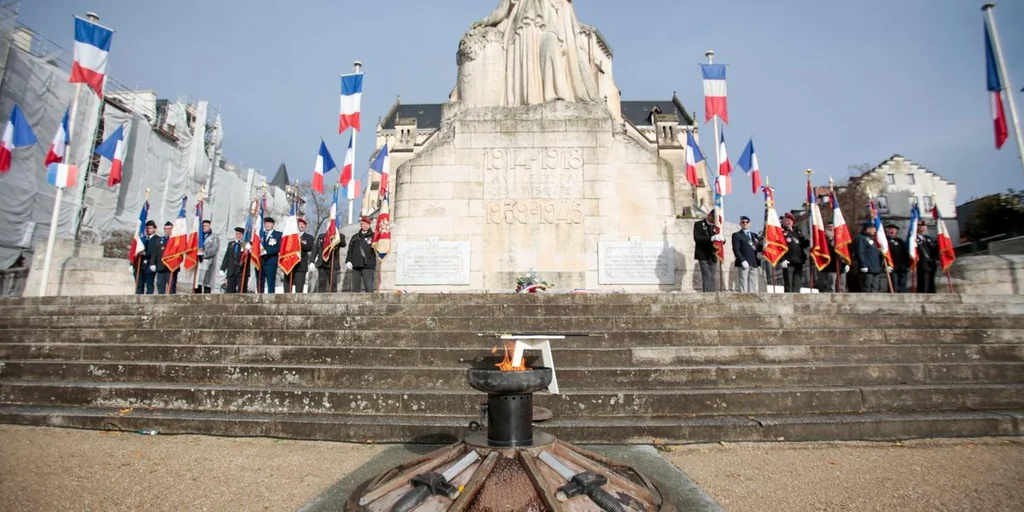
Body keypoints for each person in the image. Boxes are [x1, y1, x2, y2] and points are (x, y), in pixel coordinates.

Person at [284, 218, 316, 293]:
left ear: (305, 226)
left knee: (299, 287)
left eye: (303, 225)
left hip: (301, 265)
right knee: (287, 287)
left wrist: (299, 242)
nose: (301, 226)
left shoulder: (309, 237)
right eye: (300, 224)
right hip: (289, 263)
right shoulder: (289, 236)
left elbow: (309, 247)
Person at [693, 210, 721, 292]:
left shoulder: (716, 227)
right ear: (709, 215)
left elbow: (719, 240)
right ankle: (707, 294)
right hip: (703, 254)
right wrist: (710, 238)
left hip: (713, 254)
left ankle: (712, 293)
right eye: (713, 217)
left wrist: (722, 239)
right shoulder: (698, 224)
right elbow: (697, 238)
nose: (714, 220)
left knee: (712, 275)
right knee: (707, 275)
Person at [346, 216, 377, 292]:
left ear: (369, 225)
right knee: (355, 287)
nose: (365, 226)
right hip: (355, 264)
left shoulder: (374, 236)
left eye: (366, 224)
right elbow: (350, 250)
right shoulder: (355, 237)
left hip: (367, 264)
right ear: (361, 225)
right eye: (363, 224)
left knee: (369, 286)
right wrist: (348, 260)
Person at [780, 213, 809, 293]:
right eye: (786, 221)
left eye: (790, 220)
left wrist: (811, 241)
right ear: (783, 222)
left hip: (799, 261)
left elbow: (803, 244)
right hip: (788, 262)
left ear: (793, 222)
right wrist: (782, 259)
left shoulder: (797, 232)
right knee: (788, 285)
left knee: (797, 285)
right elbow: (778, 248)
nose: (788, 222)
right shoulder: (781, 233)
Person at [731, 215, 761, 293]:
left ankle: (753, 298)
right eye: (743, 222)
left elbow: (758, 249)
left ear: (750, 223)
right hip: (744, 262)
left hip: (754, 262)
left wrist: (764, 245)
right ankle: (743, 298)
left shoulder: (754, 235)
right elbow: (736, 249)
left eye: (747, 222)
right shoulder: (737, 235)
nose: (745, 223)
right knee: (743, 282)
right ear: (740, 224)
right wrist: (742, 260)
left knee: (753, 283)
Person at [854, 221, 885, 292]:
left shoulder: (873, 240)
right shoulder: (861, 238)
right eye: (873, 228)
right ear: (867, 229)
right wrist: (863, 265)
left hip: (876, 268)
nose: (875, 230)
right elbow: (860, 252)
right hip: (868, 268)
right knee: (867, 287)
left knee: (875, 288)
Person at [820, 221, 849, 293]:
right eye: (829, 226)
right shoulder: (823, 237)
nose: (831, 227)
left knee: (842, 285)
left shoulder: (840, 237)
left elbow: (845, 250)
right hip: (830, 265)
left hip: (841, 264)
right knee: (831, 285)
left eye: (832, 226)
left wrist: (846, 262)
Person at [314, 227, 345, 293]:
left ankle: (334, 300)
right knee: (322, 283)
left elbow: (343, 244)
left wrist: (337, 236)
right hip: (322, 263)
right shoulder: (321, 236)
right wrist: (311, 261)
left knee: (333, 283)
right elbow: (315, 248)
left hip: (333, 264)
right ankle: (321, 300)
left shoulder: (339, 236)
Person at [194, 220, 220, 294]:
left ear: (209, 226)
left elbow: (215, 249)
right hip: (198, 261)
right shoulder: (199, 236)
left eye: (206, 226)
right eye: (203, 226)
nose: (204, 227)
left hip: (208, 261)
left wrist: (203, 254)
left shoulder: (214, 237)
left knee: (207, 281)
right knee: (197, 281)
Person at [259, 217, 282, 294]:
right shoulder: (260, 234)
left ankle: (270, 300)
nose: (267, 225)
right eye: (265, 223)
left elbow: (279, 247)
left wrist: (266, 251)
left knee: (271, 282)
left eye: (269, 223)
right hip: (259, 262)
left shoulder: (278, 234)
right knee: (259, 282)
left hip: (271, 261)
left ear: (273, 224)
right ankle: (259, 299)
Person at [219, 227, 246, 293]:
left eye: (240, 234)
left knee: (241, 290)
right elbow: (227, 256)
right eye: (237, 234)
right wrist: (223, 268)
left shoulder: (245, 244)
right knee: (230, 291)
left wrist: (247, 246)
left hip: (241, 271)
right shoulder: (231, 244)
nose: (238, 236)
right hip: (231, 271)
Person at [135, 220, 159, 294]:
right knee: (139, 284)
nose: (148, 230)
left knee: (149, 284)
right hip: (142, 264)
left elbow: (156, 252)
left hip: (150, 264)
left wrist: (146, 254)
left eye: (150, 228)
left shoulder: (158, 239)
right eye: (147, 228)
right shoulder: (143, 239)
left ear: (155, 229)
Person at [915, 222, 939, 293]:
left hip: (931, 263)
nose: (923, 228)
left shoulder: (929, 238)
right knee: (923, 281)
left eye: (924, 227)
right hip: (921, 263)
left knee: (931, 281)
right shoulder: (914, 238)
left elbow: (934, 250)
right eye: (921, 226)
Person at [886, 223, 910, 293]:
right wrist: (886, 265)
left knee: (902, 285)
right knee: (894, 285)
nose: (892, 231)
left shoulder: (900, 241)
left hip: (902, 267)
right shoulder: (885, 241)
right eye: (890, 230)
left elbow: (905, 253)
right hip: (892, 266)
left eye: (894, 230)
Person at [155, 221, 178, 294]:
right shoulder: (159, 240)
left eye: (169, 228)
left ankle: (172, 302)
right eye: (166, 229)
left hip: (171, 267)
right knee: (160, 285)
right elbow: (155, 253)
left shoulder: (177, 240)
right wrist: (153, 263)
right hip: (161, 266)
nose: (168, 230)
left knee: (171, 286)